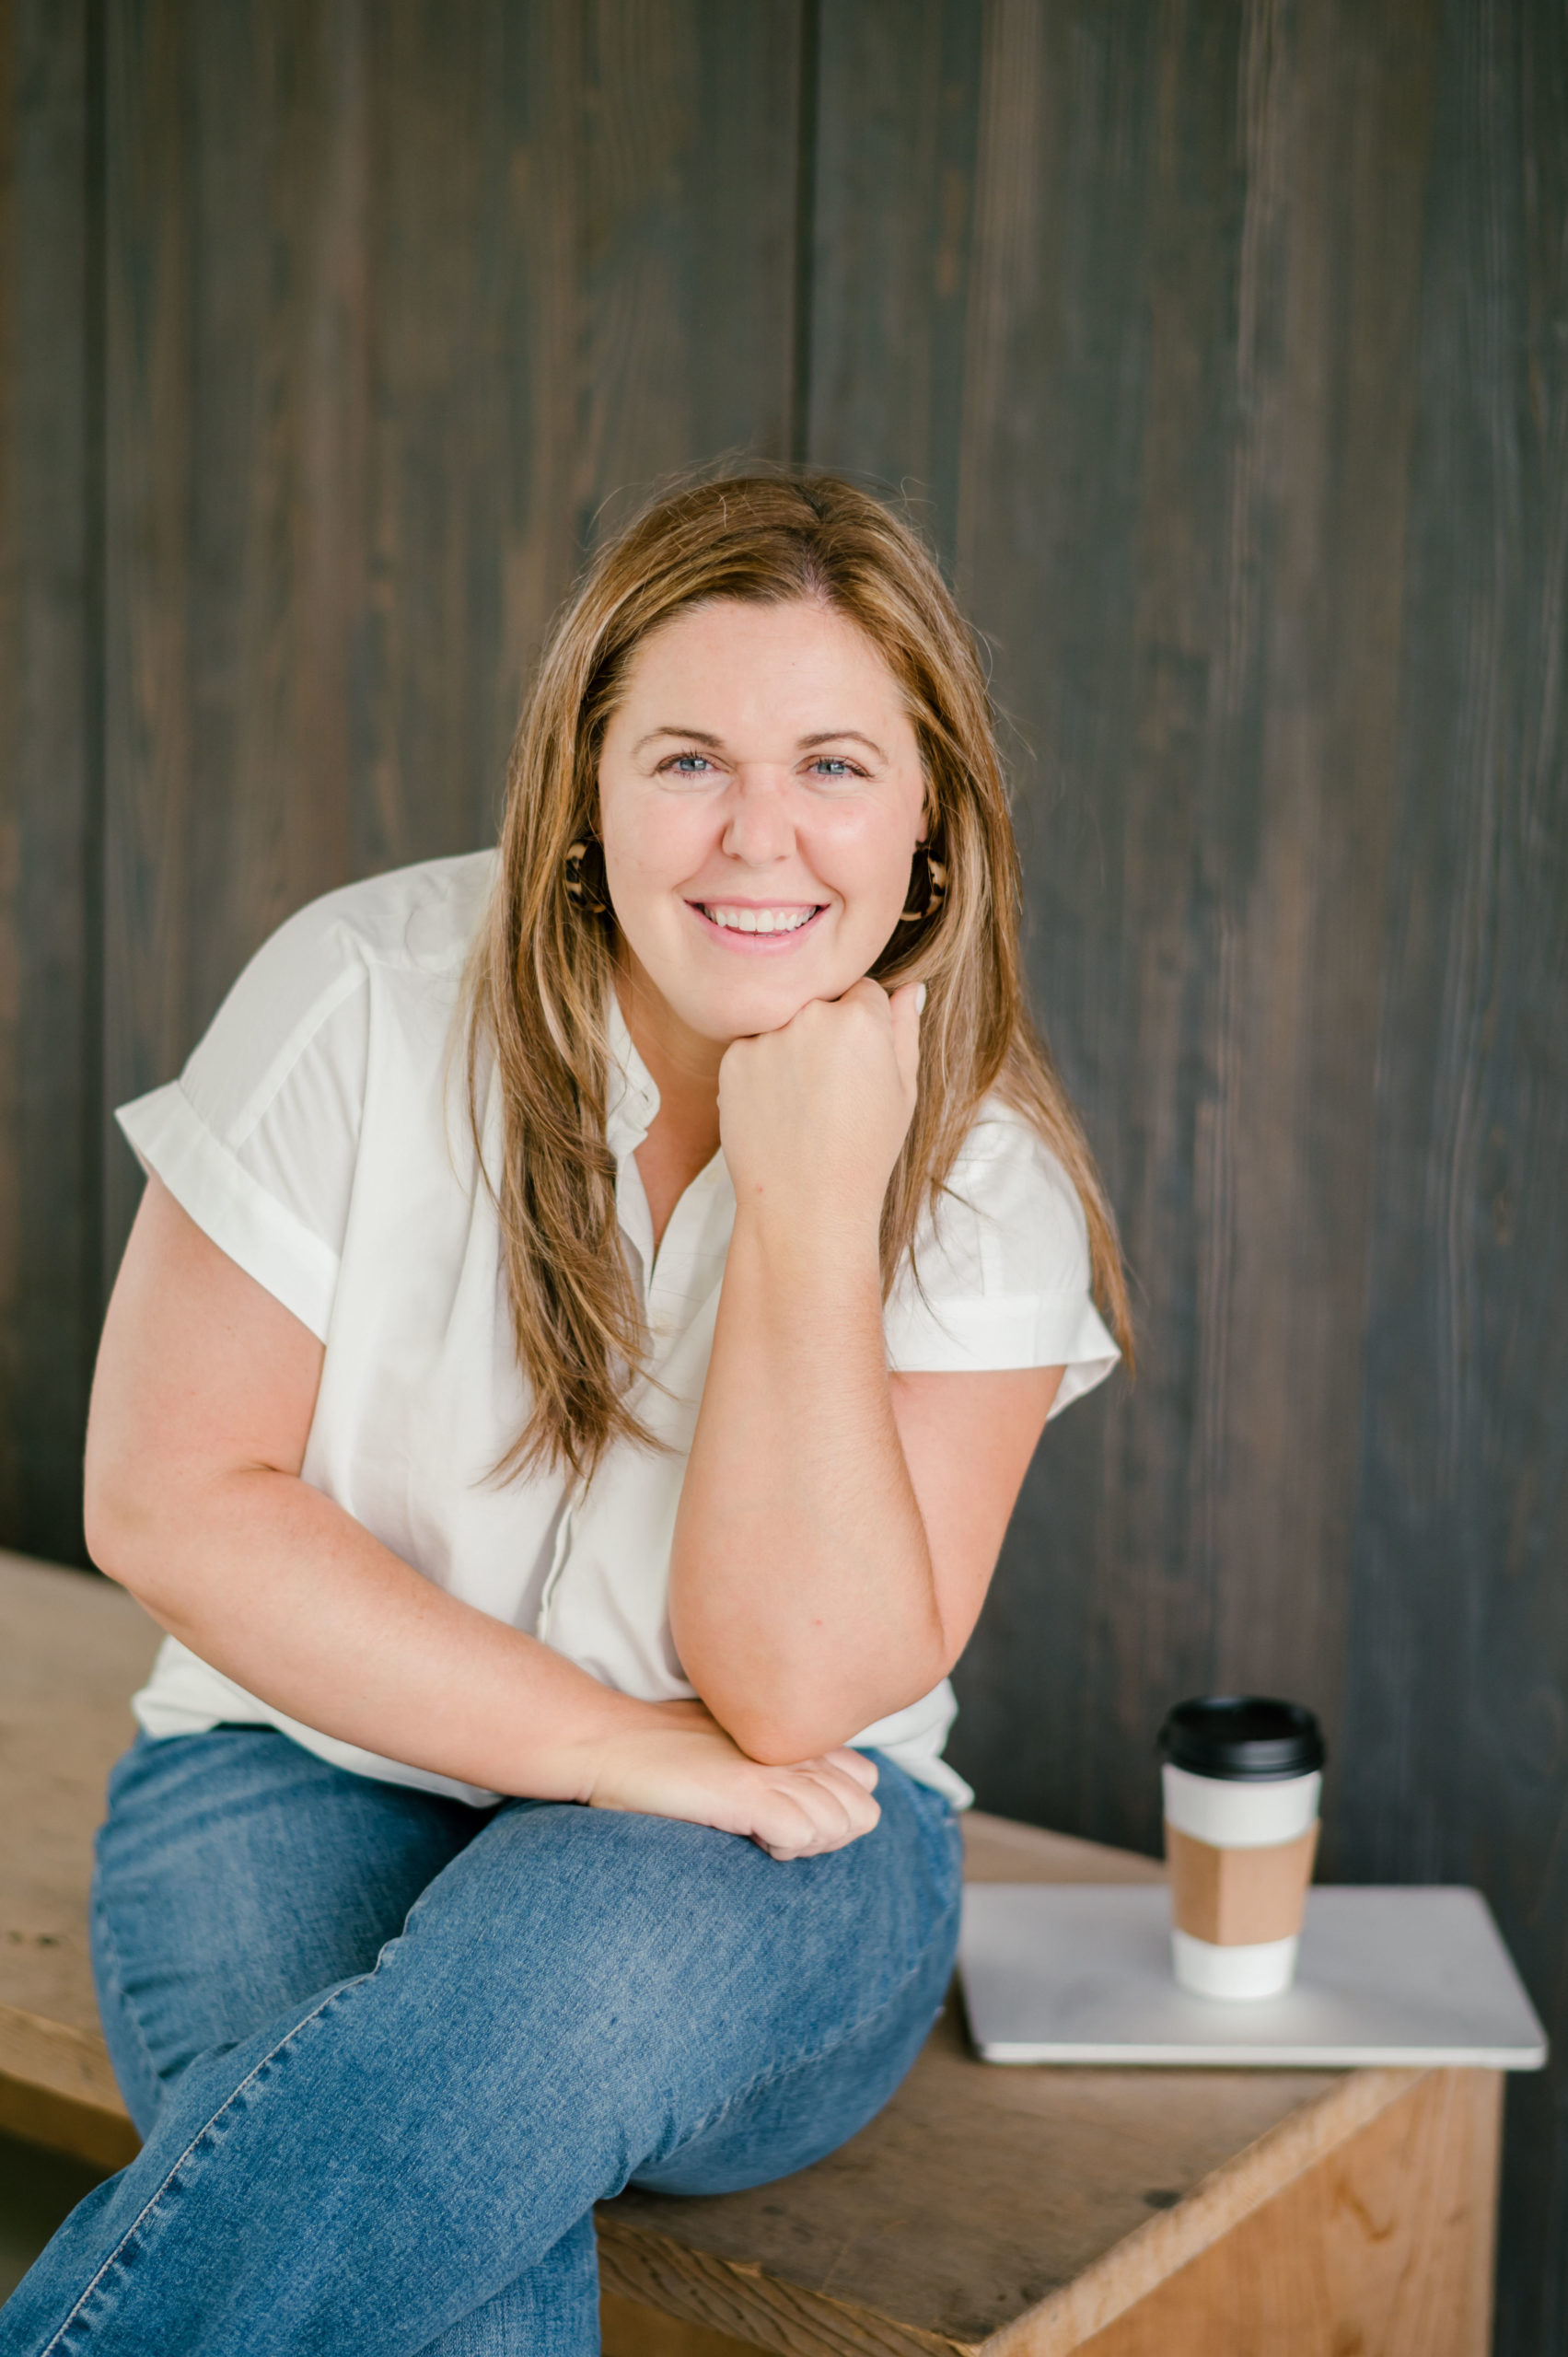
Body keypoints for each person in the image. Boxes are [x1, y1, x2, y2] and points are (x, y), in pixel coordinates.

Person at [1, 470, 1128, 2356]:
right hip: (294, 1764)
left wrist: (805, 1205)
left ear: (932, 820)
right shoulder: (365, 994)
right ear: (584, 792)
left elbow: (789, 1696)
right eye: (689, 757)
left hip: (770, 1841)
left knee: (537, 2001)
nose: (760, 835)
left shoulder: (984, 1164)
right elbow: (175, 1496)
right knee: (448, 2252)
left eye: (836, 766)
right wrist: (607, 1740)